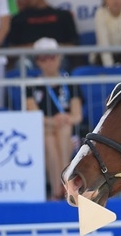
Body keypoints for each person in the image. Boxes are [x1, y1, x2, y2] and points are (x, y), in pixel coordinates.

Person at [26, 38, 82, 200]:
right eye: (43, 58)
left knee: (62, 130)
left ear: (59, 58)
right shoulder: (32, 85)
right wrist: (54, 121)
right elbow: (32, 114)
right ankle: (63, 185)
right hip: (44, 132)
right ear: (37, 62)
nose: (48, 62)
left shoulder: (70, 83)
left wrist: (64, 119)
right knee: (49, 138)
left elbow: (77, 116)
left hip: (69, 133)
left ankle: (57, 189)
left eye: (52, 57)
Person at [5, 0, 81, 72]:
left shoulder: (63, 16)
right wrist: (34, 48)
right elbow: (10, 50)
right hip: (29, 60)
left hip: (57, 59)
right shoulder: (17, 20)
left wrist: (52, 47)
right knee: (22, 64)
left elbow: (74, 46)